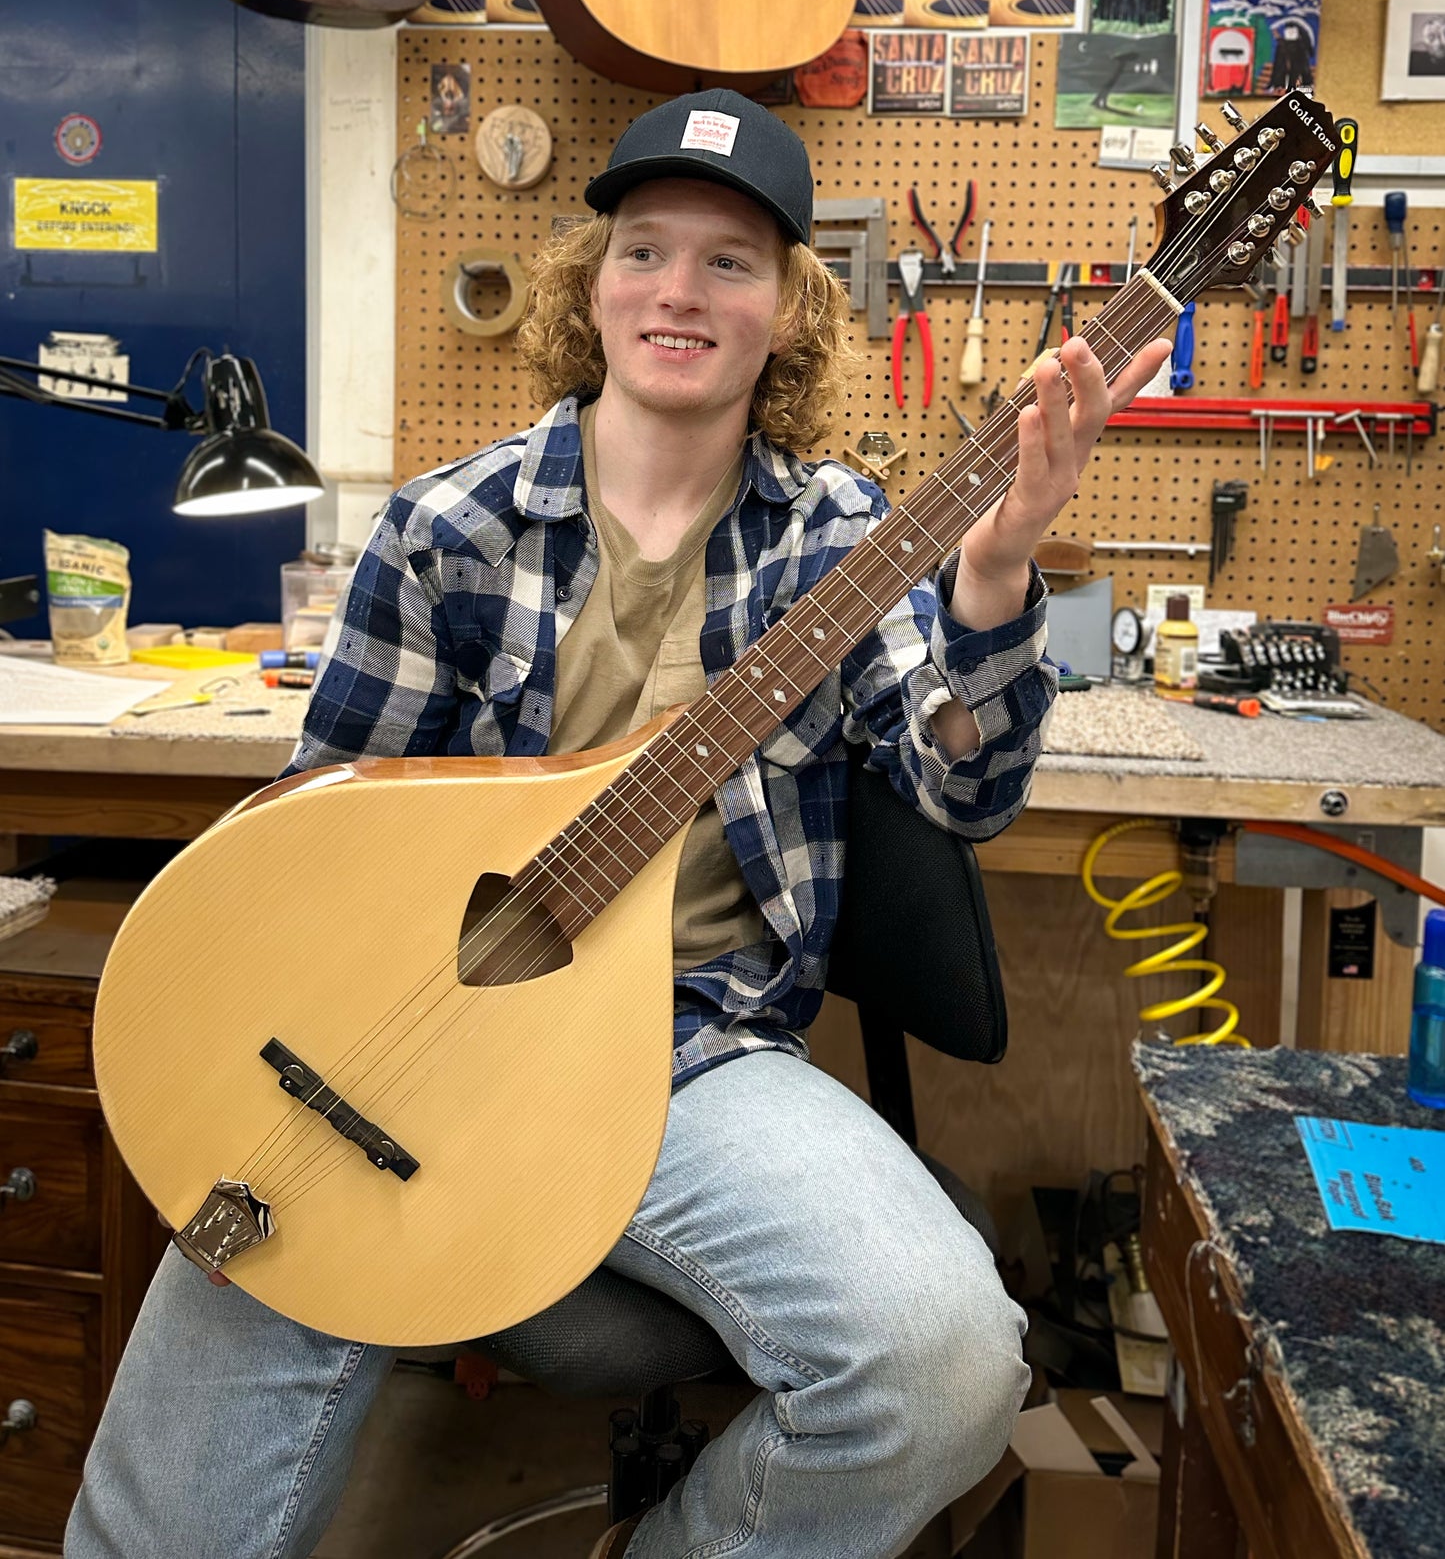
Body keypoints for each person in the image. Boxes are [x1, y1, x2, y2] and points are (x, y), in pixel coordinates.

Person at [66, 90, 1170, 1559]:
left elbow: (963, 783)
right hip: (404, 1024)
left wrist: (994, 574)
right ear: (591, 290)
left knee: (946, 1363)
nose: (678, 290)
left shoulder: (843, 536)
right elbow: (303, 835)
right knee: (184, 1455)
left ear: (789, 309)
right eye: (644, 249)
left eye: (730, 262)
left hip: (693, 1054)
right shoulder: (447, 526)